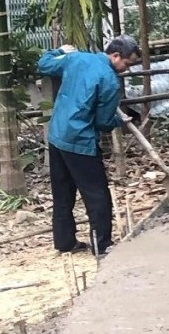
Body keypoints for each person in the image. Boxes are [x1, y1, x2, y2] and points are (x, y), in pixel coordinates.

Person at [38, 36, 142, 256]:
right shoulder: (110, 81)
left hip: (57, 135)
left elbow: (44, 63)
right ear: (115, 56)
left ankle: (65, 242)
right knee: (97, 195)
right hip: (80, 141)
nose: (127, 69)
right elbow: (103, 123)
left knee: (63, 192)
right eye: (127, 64)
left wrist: (58, 50)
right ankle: (101, 244)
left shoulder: (76, 58)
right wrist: (119, 121)